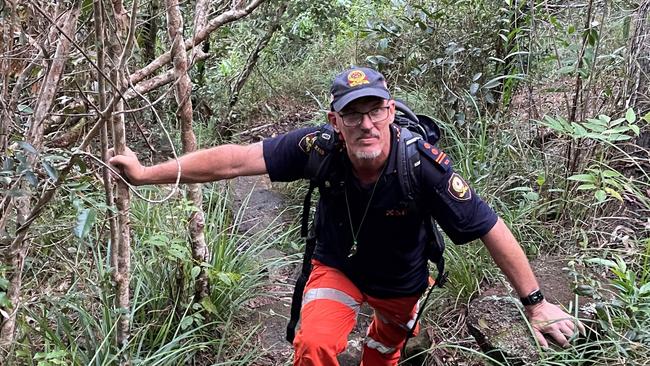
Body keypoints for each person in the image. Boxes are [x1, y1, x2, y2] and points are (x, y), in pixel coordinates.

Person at [109, 67, 585, 365]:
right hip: (337, 267)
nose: (365, 123)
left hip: (401, 282)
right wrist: (149, 173)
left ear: (390, 111)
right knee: (314, 346)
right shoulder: (317, 147)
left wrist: (537, 302)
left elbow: (489, 227)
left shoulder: (422, 167)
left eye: (374, 110)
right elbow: (235, 160)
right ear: (335, 121)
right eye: (351, 114)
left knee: (382, 355)